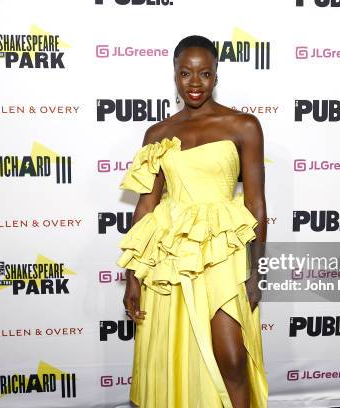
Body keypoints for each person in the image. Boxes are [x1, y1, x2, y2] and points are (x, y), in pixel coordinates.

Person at [116, 34, 268, 408]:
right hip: (171, 257)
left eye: (204, 74)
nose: (195, 83)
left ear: (216, 76)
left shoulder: (243, 125)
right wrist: (132, 275)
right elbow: (146, 207)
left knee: (232, 357)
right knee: (174, 353)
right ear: (175, 75)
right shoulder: (158, 134)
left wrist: (255, 271)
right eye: (186, 73)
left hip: (223, 252)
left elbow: (256, 204)